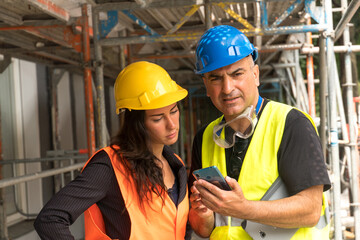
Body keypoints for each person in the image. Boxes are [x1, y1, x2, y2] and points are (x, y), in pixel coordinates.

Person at [188, 25, 331, 239]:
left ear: (255, 75)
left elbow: (310, 210)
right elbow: (204, 229)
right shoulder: (204, 138)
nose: (227, 88)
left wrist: (242, 208)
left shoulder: (291, 124)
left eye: (237, 74)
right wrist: (203, 213)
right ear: (206, 85)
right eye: (216, 78)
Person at [34, 61, 190, 240]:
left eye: (174, 111)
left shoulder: (176, 163)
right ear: (137, 123)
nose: (171, 125)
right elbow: (50, 220)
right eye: (157, 118)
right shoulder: (109, 167)